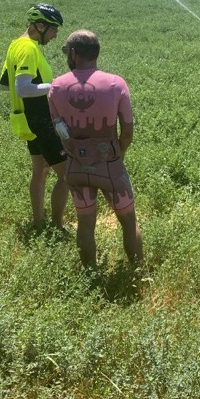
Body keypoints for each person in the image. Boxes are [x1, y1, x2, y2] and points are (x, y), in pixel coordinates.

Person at [48, 29, 143, 268]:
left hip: (76, 168)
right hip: (110, 166)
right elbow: (128, 130)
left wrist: (74, 152)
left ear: (73, 53)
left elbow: (60, 130)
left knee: (85, 223)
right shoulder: (115, 83)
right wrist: (117, 153)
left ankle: (90, 272)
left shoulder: (57, 87)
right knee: (128, 222)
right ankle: (138, 272)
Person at [0, 4, 69, 230]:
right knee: (67, 175)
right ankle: (58, 226)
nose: (56, 34)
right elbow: (23, 88)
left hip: (26, 119)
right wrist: (55, 85)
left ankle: (38, 223)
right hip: (39, 120)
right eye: (53, 29)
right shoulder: (28, 48)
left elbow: (5, 85)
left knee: (39, 171)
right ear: (40, 26)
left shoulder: (15, 46)